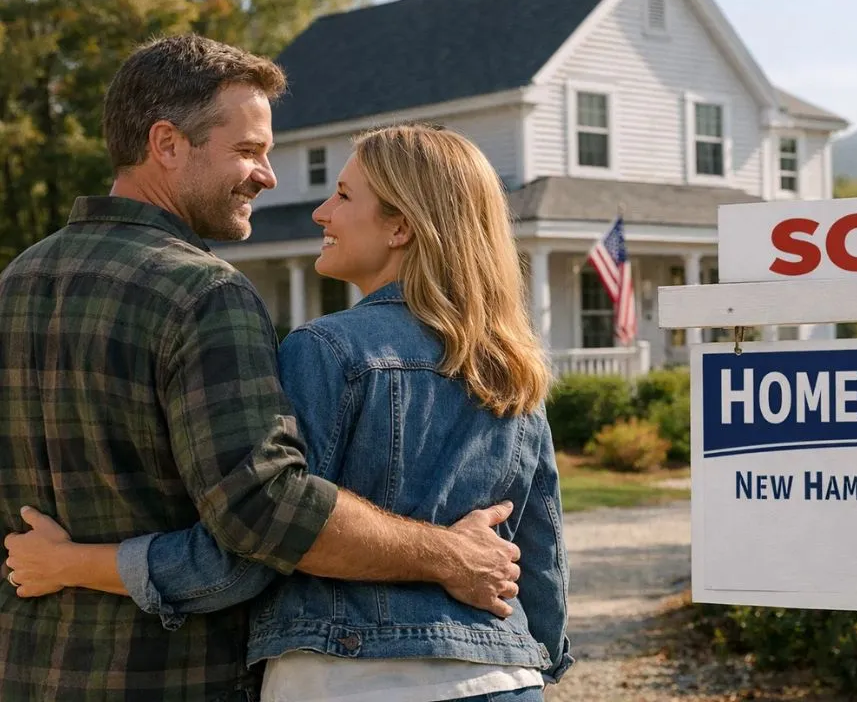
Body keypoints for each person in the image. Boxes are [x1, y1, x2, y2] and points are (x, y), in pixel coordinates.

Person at [0, 35, 523, 701]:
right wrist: (451, 556)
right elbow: (265, 510)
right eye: (248, 151)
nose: (268, 176)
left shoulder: (16, 281)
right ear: (166, 144)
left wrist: (65, 565)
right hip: (174, 676)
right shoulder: (202, 292)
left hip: (27, 669)